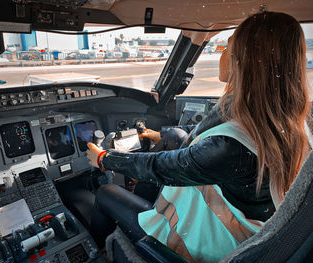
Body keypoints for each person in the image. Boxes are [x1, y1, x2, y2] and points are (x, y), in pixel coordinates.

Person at [86, 11, 309, 262]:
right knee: (174, 136)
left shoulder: (231, 148)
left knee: (106, 193)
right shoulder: (294, 123)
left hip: (212, 245)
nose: (223, 54)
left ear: (244, 60)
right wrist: (162, 135)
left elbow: (160, 167)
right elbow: (198, 150)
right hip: (257, 231)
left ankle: (99, 254)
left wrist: (105, 158)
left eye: (227, 47)